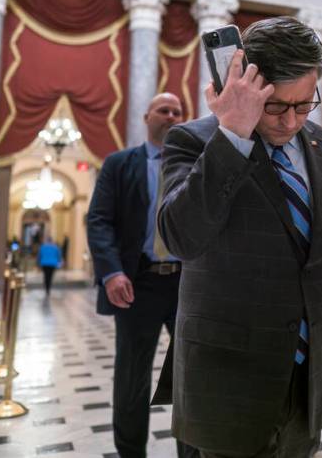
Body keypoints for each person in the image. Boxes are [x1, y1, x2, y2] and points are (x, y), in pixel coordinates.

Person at [158, 17, 322, 458]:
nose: (292, 121)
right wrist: (233, 134)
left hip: (307, 374)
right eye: (277, 106)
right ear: (248, 83)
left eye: (305, 105)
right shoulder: (193, 141)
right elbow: (181, 236)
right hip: (226, 375)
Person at [87, 92, 195, 458]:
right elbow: (99, 220)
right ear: (146, 116)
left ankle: (191, 452)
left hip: (187, 283)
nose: (171, 116)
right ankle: (131, 452)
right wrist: (112, 272)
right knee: (132, 377)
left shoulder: (198, 164)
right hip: (137, 282)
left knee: (190, 376)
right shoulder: (119, 164)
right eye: (163, 110)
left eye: (177, 112)